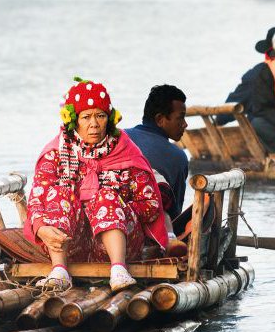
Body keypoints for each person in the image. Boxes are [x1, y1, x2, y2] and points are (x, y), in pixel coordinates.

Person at [23, 77, 168, 293]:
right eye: (86, 117)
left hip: (123, 244)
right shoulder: (55, 153)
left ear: (109, 119)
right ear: (74, 121)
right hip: (71, 245)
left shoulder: (126, 151)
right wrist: (42, 229)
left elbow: (151, 205)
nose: (94, 124)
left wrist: (115, 211)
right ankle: (60, 271)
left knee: (106, 197)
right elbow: (37, 200)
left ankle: (119, 271)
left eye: (100, 116)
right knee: (59, 194)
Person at [218, 26, 275, 151]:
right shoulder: (262, 73)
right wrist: (218, 122)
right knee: (258, 123)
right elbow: (229, 110)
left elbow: (227, 111)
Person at [126, 85, 189, 242]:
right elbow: (175, 213)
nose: (185, 124)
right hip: (151, 235)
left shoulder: (120, 136)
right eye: (180, 117)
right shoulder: (178, 157)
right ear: (160, 119)